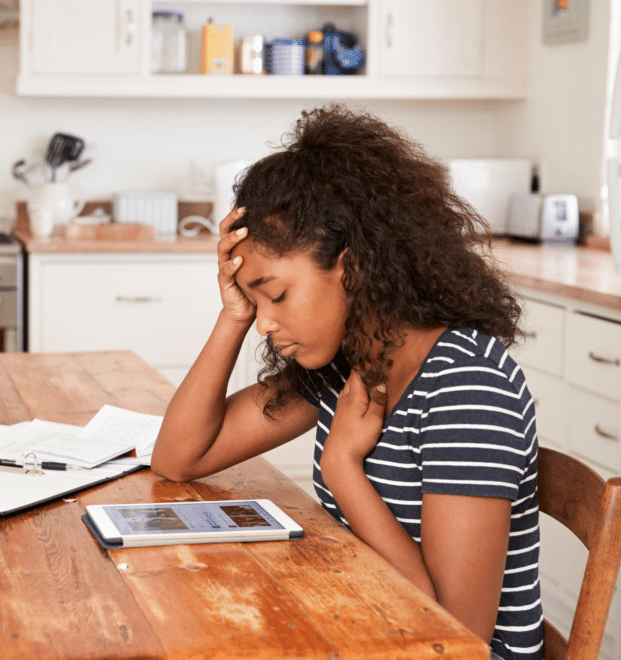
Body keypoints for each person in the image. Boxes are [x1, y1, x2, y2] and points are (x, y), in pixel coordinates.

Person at [150, 105, 543, 660]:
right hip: (371, 629)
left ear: (353, 269)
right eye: (255, 302)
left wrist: (342, 470)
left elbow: (456, 636)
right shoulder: (349, 363)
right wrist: (233, 315)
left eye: (277, 294)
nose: (266, 322)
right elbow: (180, 457)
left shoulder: (468, 388)